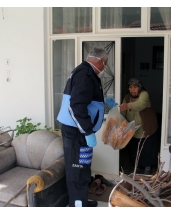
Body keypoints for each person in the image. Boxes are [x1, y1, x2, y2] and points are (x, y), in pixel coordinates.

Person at [57, 47, 108, 207]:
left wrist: (104, 104)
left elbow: (87, 99)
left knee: (84, 166)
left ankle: (82, 201)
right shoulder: (85, 74)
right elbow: (76, 106)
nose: (104, 67)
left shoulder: (85, 72)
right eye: (105, 63)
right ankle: (78, 206)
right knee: (77, 170)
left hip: (80, 132)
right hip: (76, 133)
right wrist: (87, 131)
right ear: (100, 61)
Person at [118, 78, 159, 175]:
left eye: (135, 87)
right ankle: (138, 167)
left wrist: (127, 106)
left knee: (147, 148)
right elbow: (123, 112)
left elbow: (140, 104)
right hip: (133, 129)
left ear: (139, 87)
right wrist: (121, 123)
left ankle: (148, 168)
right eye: (130, 87)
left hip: (147, 127)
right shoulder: (127, 97)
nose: (133, 89)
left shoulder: (144, 94)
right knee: (134, 149)